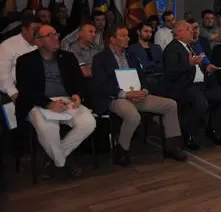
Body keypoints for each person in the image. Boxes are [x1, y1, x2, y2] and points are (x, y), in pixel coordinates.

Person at [91, 25, 187, 165]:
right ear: (112, 39)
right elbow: (101, 85)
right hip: (116, 97)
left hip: (137, 95)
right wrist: (125, 94)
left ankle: (172, 147)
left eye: (127, 35)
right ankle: (122, 150)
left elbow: (143, 77)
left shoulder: (131, 55)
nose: (128, 38)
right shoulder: (100, 58)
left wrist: (145, 91)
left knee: (170, 105)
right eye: (123, 36)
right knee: (133, 116)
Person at [15, 25, 96, 178]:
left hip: (66, 100)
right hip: (39, 103)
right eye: (50, 35)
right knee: (48, 128)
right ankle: (61, 162)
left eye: (56, 34)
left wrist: (77, 95)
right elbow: (25, 90)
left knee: (88, 122)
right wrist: (48, 103)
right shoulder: (25, 61)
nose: (56, 38)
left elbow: (79, 82)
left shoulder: (68, 57)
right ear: (39, 41)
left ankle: (54, 159)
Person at [163, 21, 221, 149]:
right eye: (188, 29)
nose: (192, 31)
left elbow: (198, 67)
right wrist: (189, 64)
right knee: (201, 103)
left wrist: (206, 69)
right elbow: (171, 73)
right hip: (185, 86)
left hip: (202, 84)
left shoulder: (190, 46)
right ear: (178, 33)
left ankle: (213, 128)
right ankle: (189, 134)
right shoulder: (172, 49)